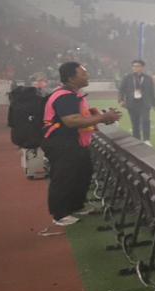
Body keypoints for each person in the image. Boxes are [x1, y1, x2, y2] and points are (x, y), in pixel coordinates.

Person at [43, 62, 121, 229]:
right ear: (72, 78)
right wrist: (103, 118)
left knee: (82, 173)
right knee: (64, 177)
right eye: (83, 74)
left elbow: (82, 116)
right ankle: (60, 214)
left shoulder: (72, 93)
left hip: (74, 142)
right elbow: (71, 121)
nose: (87, 76)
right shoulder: (65, 96)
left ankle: (76, 205)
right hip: (63, 142)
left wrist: (101, 117)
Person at [116, 59, 155, 141]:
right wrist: (121, 100)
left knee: (146, 121)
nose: (135, 68)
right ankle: (137, 139)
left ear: (142, 67)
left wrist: (154, 104)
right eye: (134, 66)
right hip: (132, 103)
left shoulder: (148, 78)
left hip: (144, 103)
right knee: (135, 123)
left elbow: (152, 92)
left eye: (137, 66)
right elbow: (121, 90)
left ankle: (146, 140)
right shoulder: (127, 78)